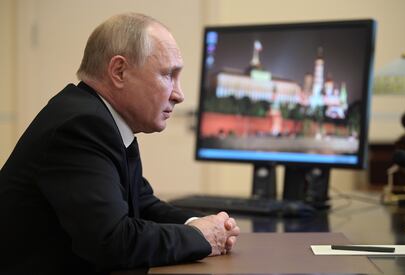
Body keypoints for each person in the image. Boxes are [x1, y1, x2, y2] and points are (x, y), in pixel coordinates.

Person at [0, 13, 239, 273]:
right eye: (168, 75)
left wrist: (202, 224)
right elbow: (113, 242)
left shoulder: (99, 118)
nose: (178, 95)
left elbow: (142, 203)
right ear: (119, 71)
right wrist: (200, 237)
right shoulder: (82, 126)